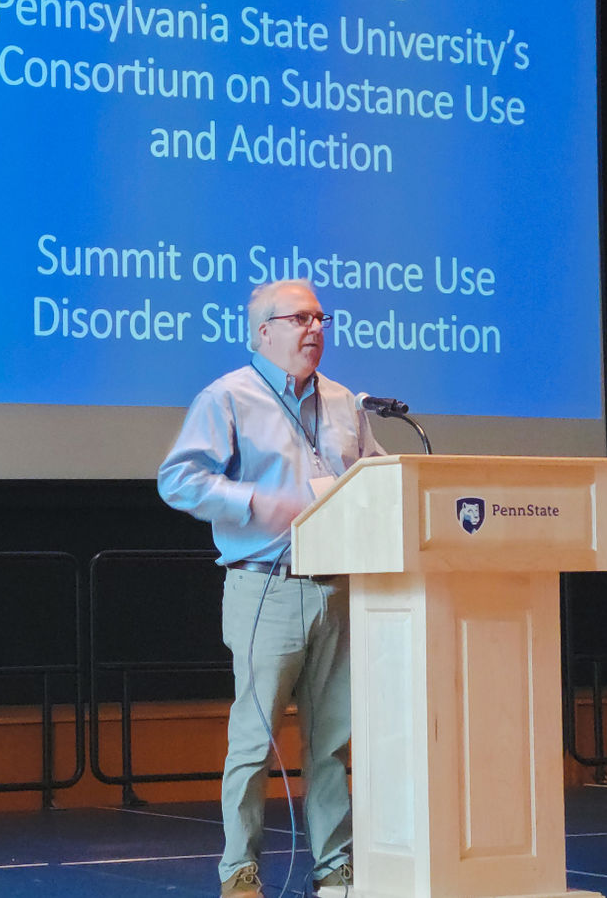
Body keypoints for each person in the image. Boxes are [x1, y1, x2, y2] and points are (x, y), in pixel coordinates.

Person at [157, 279, 385, 898]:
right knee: (255, 743)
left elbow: (375, 479)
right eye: (301, 318)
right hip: (266, 588)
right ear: (264, 331)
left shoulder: (343, 401)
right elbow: (177, 480)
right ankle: (240, 871)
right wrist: (256, 500)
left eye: (321, 318)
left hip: (337, 587)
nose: (316, 329)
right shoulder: (228, 397)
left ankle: (336, 867)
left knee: (333, 741)